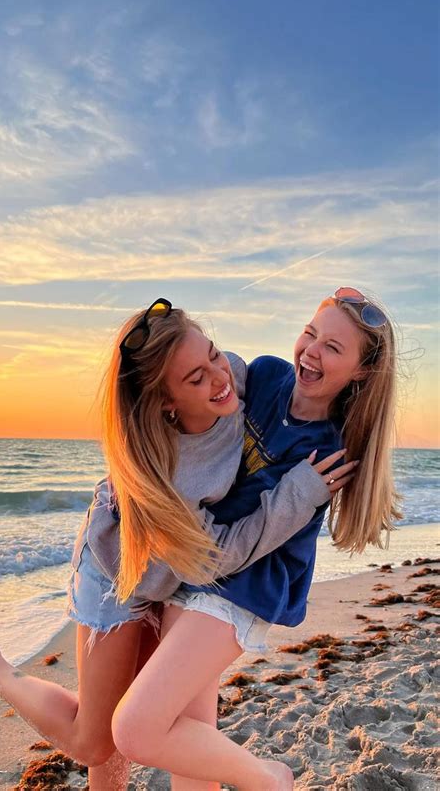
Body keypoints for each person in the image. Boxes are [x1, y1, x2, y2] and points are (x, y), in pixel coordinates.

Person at [0, 300, 352, 790]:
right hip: (118, 573)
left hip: (169, 580)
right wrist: (297, 496)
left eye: (213, 355)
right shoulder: (174, 475)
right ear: (167, 402)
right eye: (196, 378)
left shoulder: (235, 379)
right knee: (95, 742)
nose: (219, 378)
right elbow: (219, 554)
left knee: (148, 721)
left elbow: (283, 404)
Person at [111, 288, 401, 791]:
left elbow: (268, 533)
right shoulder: (265, 374)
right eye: (311, 333)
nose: (312, 350)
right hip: (198, 566)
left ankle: (271, 778)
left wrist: (300, 493)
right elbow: (209, 378)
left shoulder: (330, 451)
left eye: (333, 348)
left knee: (134, 729)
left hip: (246, 584)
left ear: (360, 371)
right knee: (192, 746)